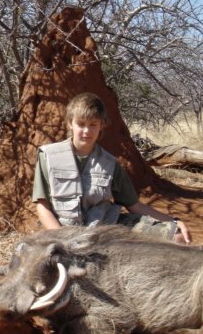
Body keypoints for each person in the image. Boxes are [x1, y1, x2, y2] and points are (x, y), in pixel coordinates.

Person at [32, 92, 191, 244]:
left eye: (93, 124)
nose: (87, 131)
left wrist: (173, 221)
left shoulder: (110, 163)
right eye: (81, 124)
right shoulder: (48, 156)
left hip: (102, 230)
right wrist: (62, 241)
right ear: (70, 124)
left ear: (102, 125)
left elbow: (134, 205)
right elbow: (42, 206)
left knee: (177, 237)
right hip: (63, 234)